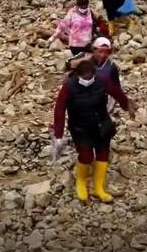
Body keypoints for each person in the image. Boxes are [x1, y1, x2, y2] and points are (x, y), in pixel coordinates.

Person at [51, 60, 136, 202]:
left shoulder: (102, 81)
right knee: (86, 155)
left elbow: (116, 92)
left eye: (90, 77)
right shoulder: (69, 87)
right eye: (85, 77)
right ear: (78, 75)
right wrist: (58, 135)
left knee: (103, 154)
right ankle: (81, 182)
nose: (88, 80)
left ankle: (99, 188)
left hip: (101, 123)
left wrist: (127, 105)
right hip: (80, 126)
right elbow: (59, 109)